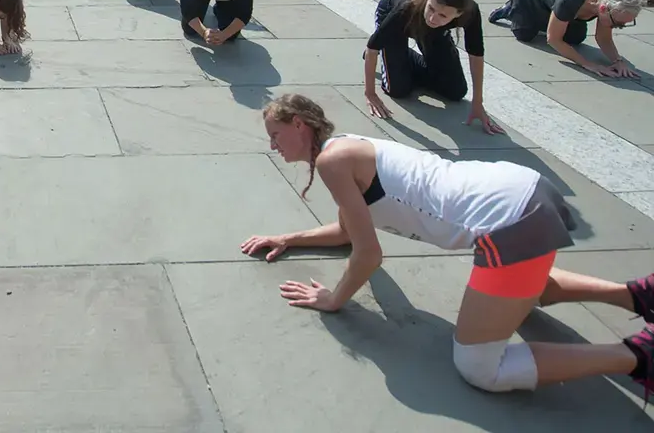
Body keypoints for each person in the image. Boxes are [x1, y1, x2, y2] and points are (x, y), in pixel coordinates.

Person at [242, 94, 654, 400]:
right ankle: (636, 296)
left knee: (480, 367)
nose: (273, 146)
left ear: (299, 125)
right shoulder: (345, 148)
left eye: (275, 135)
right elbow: (349, 232)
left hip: (509, 221)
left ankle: (637, 355)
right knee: (515, 288)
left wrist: (334, 299)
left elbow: (368, 255)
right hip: (522, 190)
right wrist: (288, 238)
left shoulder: (333, 163)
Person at [363, 0, 500, 133]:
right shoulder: (405, 8)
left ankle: (402, 58)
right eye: (431, 9)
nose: (433, 18)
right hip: (397, 20)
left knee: (455, 91)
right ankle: (391, 53)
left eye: (443, 16)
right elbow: (371, 48)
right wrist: (370, 93)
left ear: (458, 14)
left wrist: (477, 102)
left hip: (435, 32)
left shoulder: (470, 13)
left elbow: (476, 54)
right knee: (398, 90)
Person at [488, 0, 643, 77]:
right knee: (524, 34)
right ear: (603, 9)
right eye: (618, 23)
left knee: (575, 39)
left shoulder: (607, 3)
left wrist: (617, 61)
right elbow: (553, 40)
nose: (619, 27)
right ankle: (512, 8)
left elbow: (603, 38)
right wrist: (587, 64)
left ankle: (549, 15)